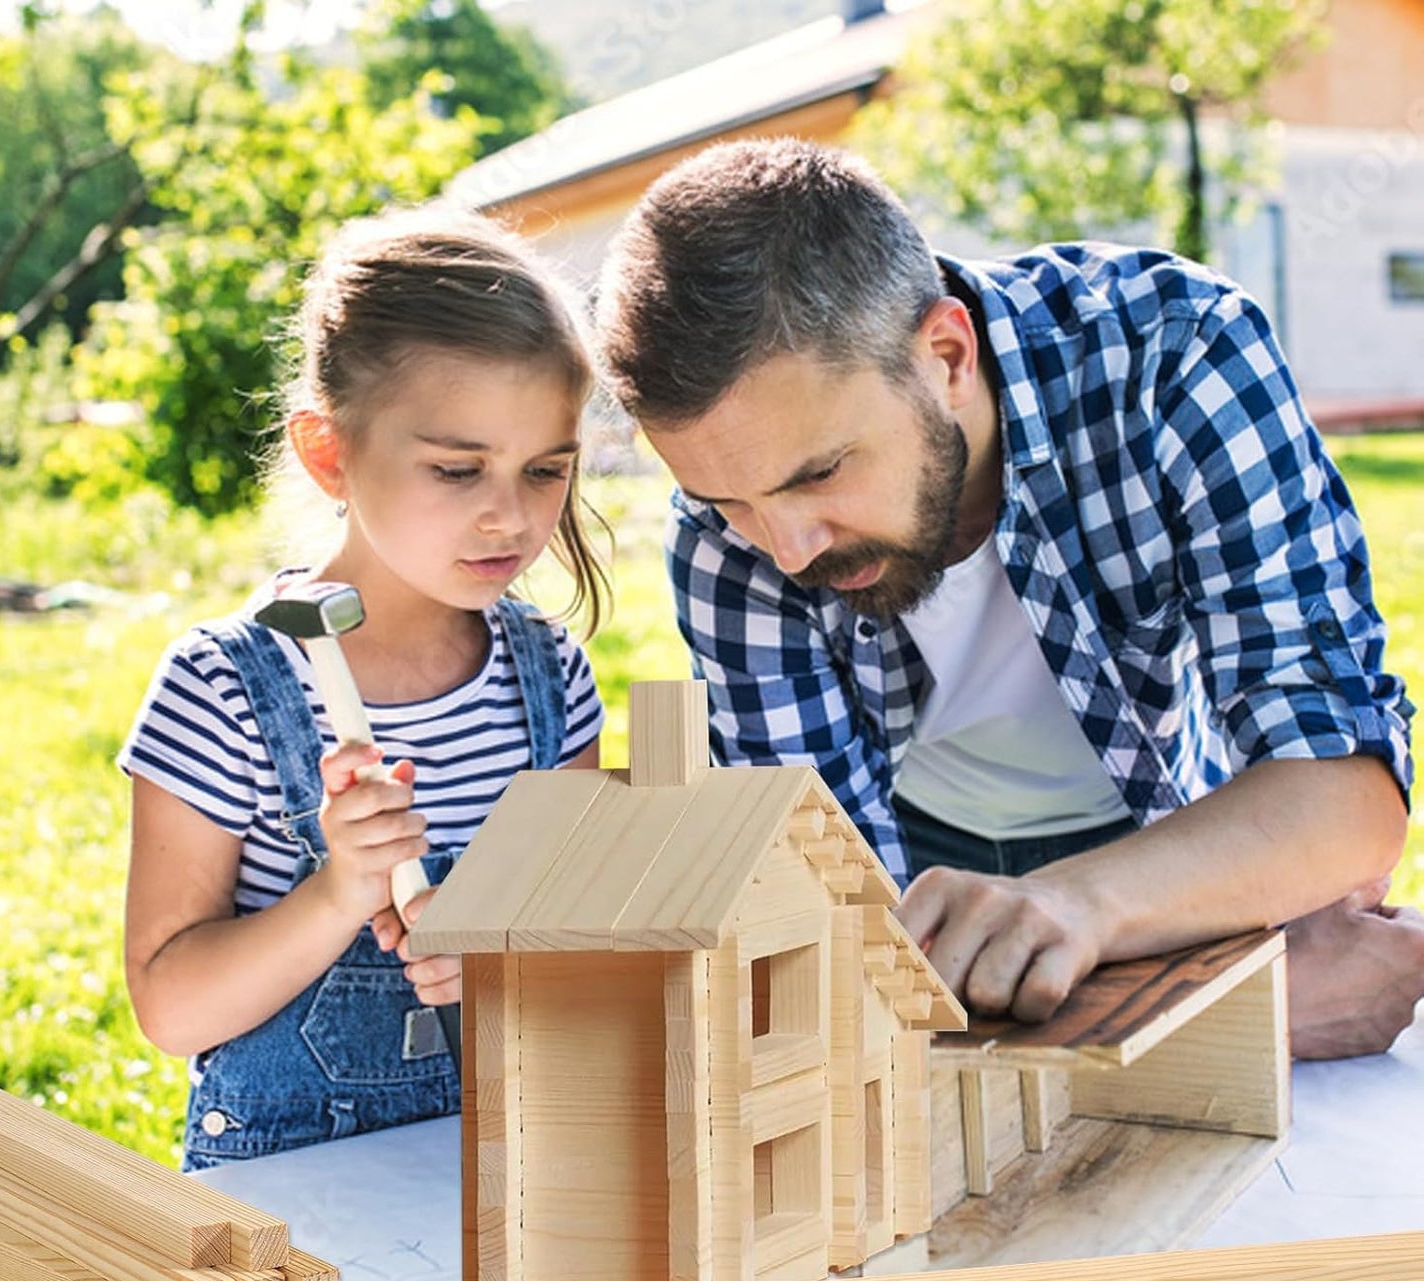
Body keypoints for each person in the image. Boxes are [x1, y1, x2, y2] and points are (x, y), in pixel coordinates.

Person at [594, 137, 1424, 1061]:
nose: (787, 550)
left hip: (1168, 838)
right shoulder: (723, 542)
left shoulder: (1175, 355)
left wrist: (1082, 906)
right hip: (916, 860)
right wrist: (1222, 1006)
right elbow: (830, 933)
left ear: (947, 354)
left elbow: (1341, 796)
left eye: (820, 472)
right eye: (728, 501)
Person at [120, 208, 608, 1170]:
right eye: (457, 469)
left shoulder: (550, 679)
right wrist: (337, 892)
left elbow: (587, 952)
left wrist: (511, 964)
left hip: (505, 1176)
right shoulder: (221, 689)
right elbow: (170, 1008)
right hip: (293, 1201)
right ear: (328, 451)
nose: (510, 516)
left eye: (545, 470)